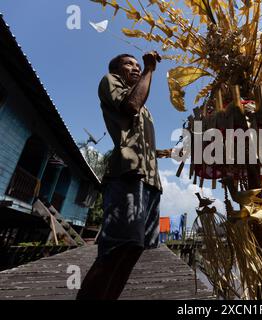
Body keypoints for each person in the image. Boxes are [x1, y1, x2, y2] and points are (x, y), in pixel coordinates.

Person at [77, 51, 169, 300]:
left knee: (135, 248)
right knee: (117, 248)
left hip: (151, 182)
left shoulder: (145, 106)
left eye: (139, 65)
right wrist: (150, 68)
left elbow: (139, 139)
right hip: (128, 174)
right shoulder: (111, 81)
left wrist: (164, 152)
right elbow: (130, 106)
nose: (136, 67)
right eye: (130, 64)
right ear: (117, 69)